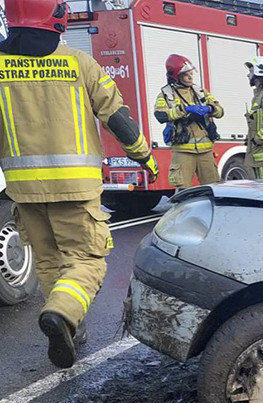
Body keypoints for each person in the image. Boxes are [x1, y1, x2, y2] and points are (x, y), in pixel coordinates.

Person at [0, 0, 157, 368]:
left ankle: (70, 326)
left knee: (52, 263)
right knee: (87, 261)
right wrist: (145, 158)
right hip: (76, 189)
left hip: (24, 191)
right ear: (55, 16)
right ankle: (62, 313)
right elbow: (117, 118)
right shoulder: (78, 63)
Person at [154, 54, 223, 189]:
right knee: (182, 191)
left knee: (214, 189)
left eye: (191, 73)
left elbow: (220, 111)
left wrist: (210, 108)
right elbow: (160, 115)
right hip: (182, 150)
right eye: (186, 75)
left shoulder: (200, 91)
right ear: (176, 76)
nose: (191, 77)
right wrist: (184, 110)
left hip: (205, 150)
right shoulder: (166, 94)